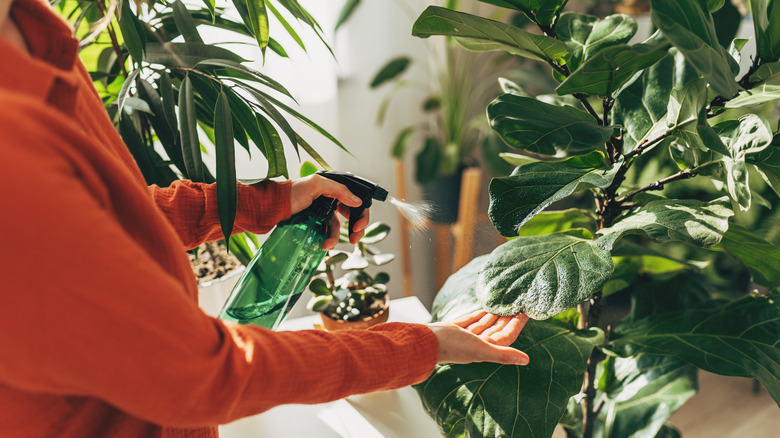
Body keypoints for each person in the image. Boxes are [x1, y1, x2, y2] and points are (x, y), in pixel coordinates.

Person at [0, 0, 530, 437]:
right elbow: (207, 374)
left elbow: (117, 215)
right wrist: (421, 344)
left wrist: (274, 201)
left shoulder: (34, 36)